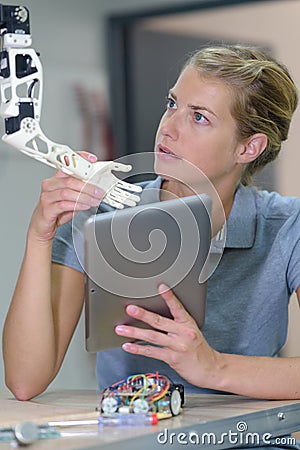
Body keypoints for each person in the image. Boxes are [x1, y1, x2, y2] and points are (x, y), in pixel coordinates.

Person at [2, 45, 300, 405]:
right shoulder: (99, 215)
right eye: (172, 104)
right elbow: (25, 381)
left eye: (199, 117)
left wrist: (212, 367)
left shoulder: (288, 225)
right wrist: (40, 235)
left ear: (249, 148)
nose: (169, 128)